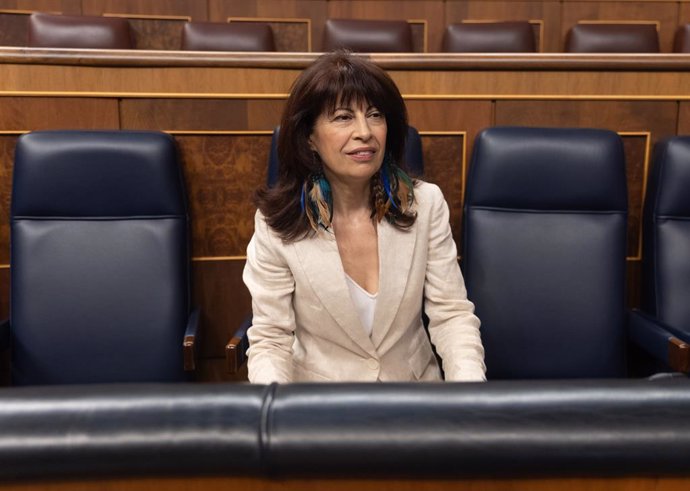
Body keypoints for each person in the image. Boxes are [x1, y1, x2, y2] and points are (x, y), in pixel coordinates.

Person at [243, 51, 485, 383]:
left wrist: (471, 398)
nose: (364, 132)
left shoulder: (425, 205)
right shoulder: (276, 224)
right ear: (310, 137)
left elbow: (452, 316)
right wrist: (277, 416)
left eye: (374, 115)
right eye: (343, 117)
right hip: (322, 412)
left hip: (414, 403)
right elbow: (271, 340)